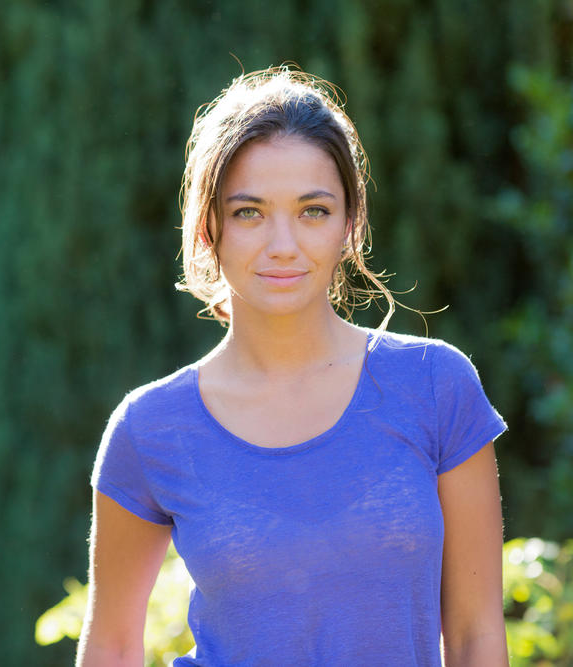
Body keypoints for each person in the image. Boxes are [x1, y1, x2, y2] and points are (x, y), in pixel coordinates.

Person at [76, 67, 509, 666]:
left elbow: (476, 637)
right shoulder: (150, 429)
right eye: (249, 212)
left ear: (350, 224)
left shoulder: (437, 388)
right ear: (209, 227)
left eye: (313, 211)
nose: (283, 244)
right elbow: (112, 647)